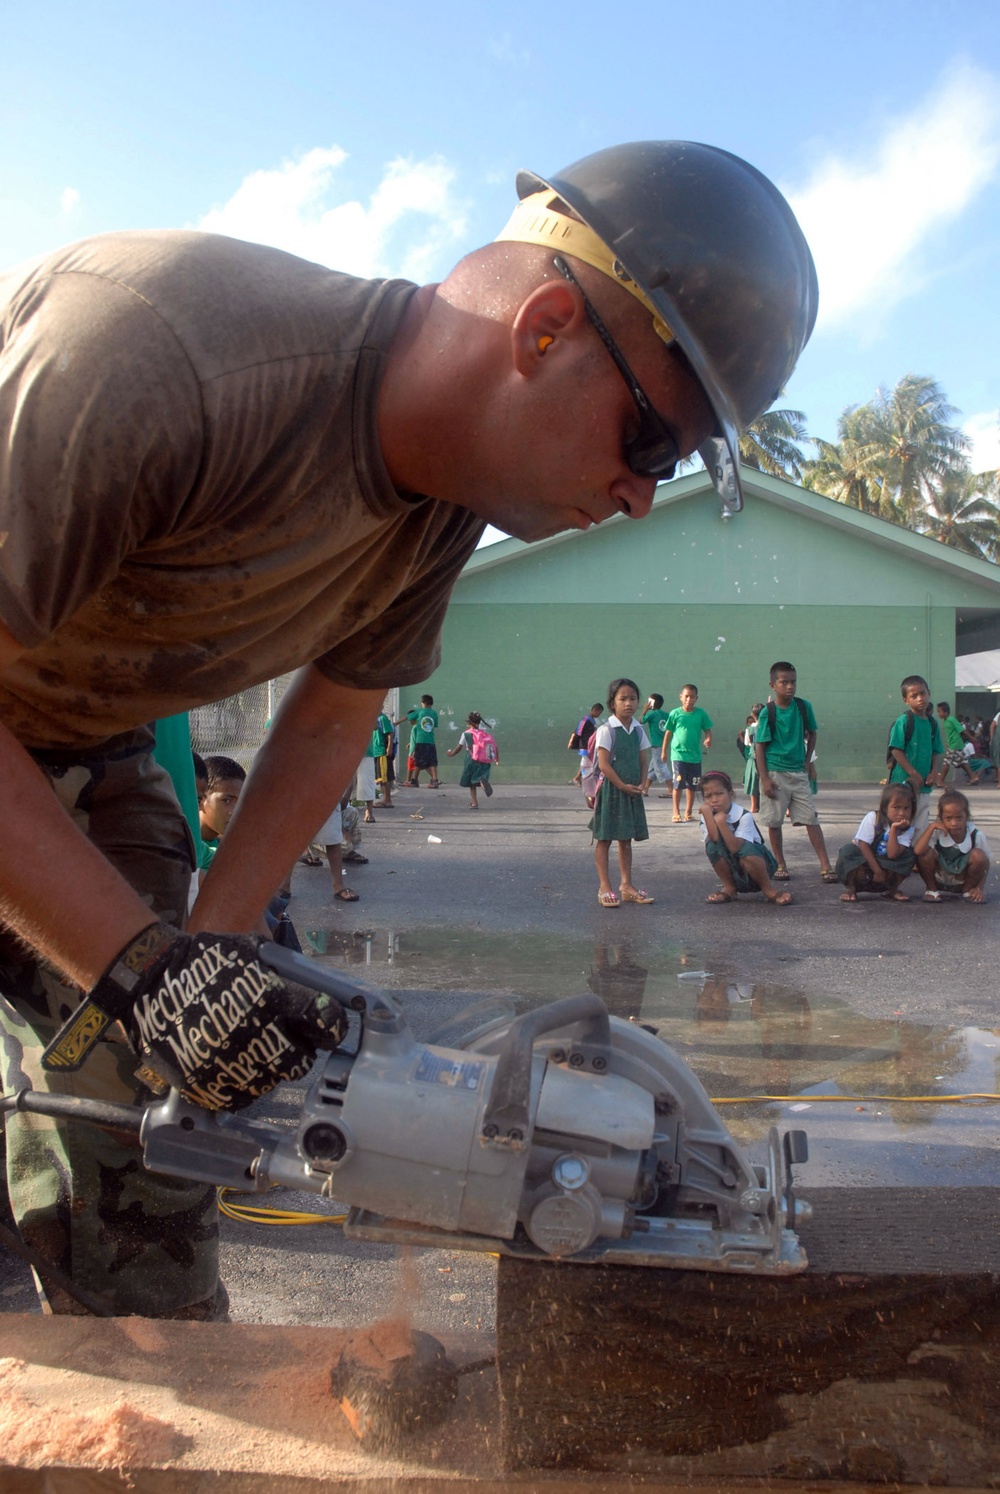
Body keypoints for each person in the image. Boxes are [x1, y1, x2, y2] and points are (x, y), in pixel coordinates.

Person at [0, 139, 817, 1315]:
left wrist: (201, 966)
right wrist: (140, 971)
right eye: (651, 443)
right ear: (542, 330)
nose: (644, 493)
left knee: (154, 1131)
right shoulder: (154, 352)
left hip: (86, 742)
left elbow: (330, 726)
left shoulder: (443, 508)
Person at [753, 661, 836, 883]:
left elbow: (813, 734)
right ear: (773, 685)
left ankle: (826, 865)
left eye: (793, 682)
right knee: (774, 822)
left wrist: (808, 762)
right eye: (784, 682)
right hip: (775, 773)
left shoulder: (803, 707)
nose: (790, 686)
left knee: (811, 818)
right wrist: (764, 779)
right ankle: (780, 864)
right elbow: (759, 746)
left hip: (798, 773)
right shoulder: (767, 713)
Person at [590, 677, 654, 908]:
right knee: (605, 838)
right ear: (612, 703)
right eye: (623, 699)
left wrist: (643, 782)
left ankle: (626, 886)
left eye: (633, 698)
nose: (628, 703)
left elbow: (643, 759)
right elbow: (604, 765)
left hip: (631, 791)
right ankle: (604, 886)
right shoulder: (606, 730)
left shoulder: (638, 730)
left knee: (625, 839)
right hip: (612, 791)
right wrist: (621, 785)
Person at [698, 769, 790, 906]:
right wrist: (707, 815)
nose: (714, 800)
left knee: (746, 849)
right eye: (708, 796)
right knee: (711, 846)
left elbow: (735, 848)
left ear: (731, 794)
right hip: (733, 868)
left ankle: (768, 889)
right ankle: (730, 888)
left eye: (719, 794)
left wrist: (721, 822)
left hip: (759, 866)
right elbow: (714, 839)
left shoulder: (743, 816)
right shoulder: (706, 816)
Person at [834, 782, 917, 903]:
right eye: (896, 807)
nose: (901, 813)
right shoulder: (873, 818)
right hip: (867, 861)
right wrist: (877, 870)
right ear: (884, 808)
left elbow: (892, 855)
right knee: (848, 850)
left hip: (886, 863)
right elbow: (863, 844)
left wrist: (894, 830)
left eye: (906, 808)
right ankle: (851, 888)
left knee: (909, 855)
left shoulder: (907, 829)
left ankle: (892, 889)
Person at [887, 676, 944, 836]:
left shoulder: (933, 724)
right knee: (899, 824)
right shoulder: (904, 721)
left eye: (923, 693)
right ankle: (896, 857)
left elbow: (936, 750)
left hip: (924, 786)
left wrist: (934, 772)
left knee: (920, 826)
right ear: (906, 700)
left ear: (929, 694)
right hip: (902, 785)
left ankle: (916, 859)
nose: (920, 699)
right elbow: (896, 750)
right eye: (914, 696)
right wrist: (912, 773)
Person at [914, 790, 991, 903]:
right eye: (948, 818)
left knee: (979, 855)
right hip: (939, 877)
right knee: (925, 854)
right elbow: (918, 851)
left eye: (959, 818)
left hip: (963, 878)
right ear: (941, 817)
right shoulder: (936, 832)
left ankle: (967, 891)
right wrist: (932, 827)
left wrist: (979, 887)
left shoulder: (975, 835)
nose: (954, 823)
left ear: (967, 816)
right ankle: (932, 890)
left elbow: (985, 863)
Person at [661, 684, 712, 822]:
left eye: (692, 697)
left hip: (695, 757)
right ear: (681, 697)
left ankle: (688, 812)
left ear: (696, 698)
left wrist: (708, 738)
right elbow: (668, 733)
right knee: (678, 784)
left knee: (692, 786)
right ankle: (676, 812)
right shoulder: (675, 714)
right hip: (678, 756)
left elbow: (707, 729)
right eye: (686, 696)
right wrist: (664, 751)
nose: (689, 699)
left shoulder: (701, 714)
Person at [196, 754, 246, 876]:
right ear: (201, 800)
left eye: (240, 801)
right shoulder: (190, 849)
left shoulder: (223, 844)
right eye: (226, 800)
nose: (235, 811)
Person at [446, 710, 499, 809]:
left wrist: (451, 753)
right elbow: (492, 747)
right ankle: (481, 780)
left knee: (471, 783)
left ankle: (474, 803)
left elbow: (459, 747)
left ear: (468, 723)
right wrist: (496, 758)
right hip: (482, 760)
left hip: (471, 759)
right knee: (479, 776)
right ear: (479, 722)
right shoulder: (484, 733)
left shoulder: (466, 734)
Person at [397, 694, 440, 788]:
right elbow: (435, 725)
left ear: (423, 703)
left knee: (418, 762)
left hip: (421, 741)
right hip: (431, 741)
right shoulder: (434, 713)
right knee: (432, 761)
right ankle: (435, 780)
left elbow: (407, 717)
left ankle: (414, 781)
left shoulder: (420, 711)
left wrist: (397, 722)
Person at [937, 701, 979, 785]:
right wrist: (948, 742)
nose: (938, 714)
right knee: (962, 762)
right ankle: (973, 777)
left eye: (939, 711)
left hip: (955, 745)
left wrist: (971, 738)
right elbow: (950, 734)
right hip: (954, 744)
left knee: (946, 762)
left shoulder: (951, 719)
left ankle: (941, 780)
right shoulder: (946, 721)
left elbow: (961, 730)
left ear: (946, 712)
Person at [640, 692, 671, 795]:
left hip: (656, 744)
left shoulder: (652, 714)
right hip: (663, 744)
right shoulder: (666, 715)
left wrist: (645, 709)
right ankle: (645, 789)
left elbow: (640, 721)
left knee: (661, 767)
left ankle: (671, 789)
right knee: (653, 768)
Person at [737, 703, 764, 812]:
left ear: (752, 714)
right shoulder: (766, 727)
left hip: (753, 759)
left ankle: (753, 806)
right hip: (766, 759)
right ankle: (763, 805)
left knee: (753, 782)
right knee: (764, 781)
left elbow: (747, 743)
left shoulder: (749, 729)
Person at [570, 703, 604, 786]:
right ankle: (577, 778)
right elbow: (578, 731)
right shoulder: (586, 719)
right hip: (584, 745)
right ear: (594, 710)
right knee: (585, 761)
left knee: (588, 762)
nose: (599, 715)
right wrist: (575, 743)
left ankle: (579, 778)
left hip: (590, 745)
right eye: (599, 713)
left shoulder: (592, 720)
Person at [372, 709, 396, 807]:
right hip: (376, 751)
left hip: (381, 751)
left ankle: (387, 799)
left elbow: (390, 733)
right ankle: (385, 798)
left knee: (384, 776)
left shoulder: (382, 718)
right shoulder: (374, 719)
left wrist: (389, 747)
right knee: (380, 777)